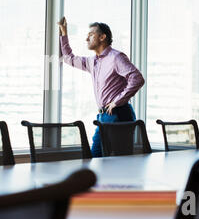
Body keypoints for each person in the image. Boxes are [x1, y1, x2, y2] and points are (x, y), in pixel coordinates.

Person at [58, 16, 145, 157]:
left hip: (119, 114)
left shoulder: (116, 57)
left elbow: (137, 78)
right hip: (103, 116)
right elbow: (69, 59)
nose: (87, 39)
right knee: (96, 156)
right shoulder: (92, 62)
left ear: (102, 37)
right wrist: (64, 33)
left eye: (90, 35)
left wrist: (117, 101)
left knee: (119, 161)